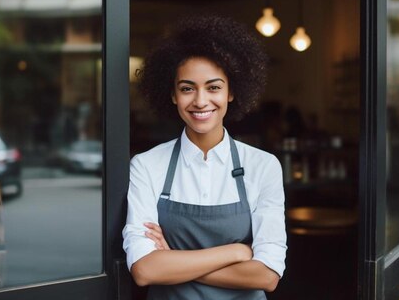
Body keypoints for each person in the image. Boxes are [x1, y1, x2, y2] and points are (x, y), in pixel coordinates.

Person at [122, 15, 287, 299]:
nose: (200, 101)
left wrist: (174, 259)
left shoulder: (263, 166)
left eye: (213, 87)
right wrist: (237, 252)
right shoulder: (147, 165)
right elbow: (145, 271)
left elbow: (267, 275)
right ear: (173, 94)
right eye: (187, 88)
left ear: (231, 92)